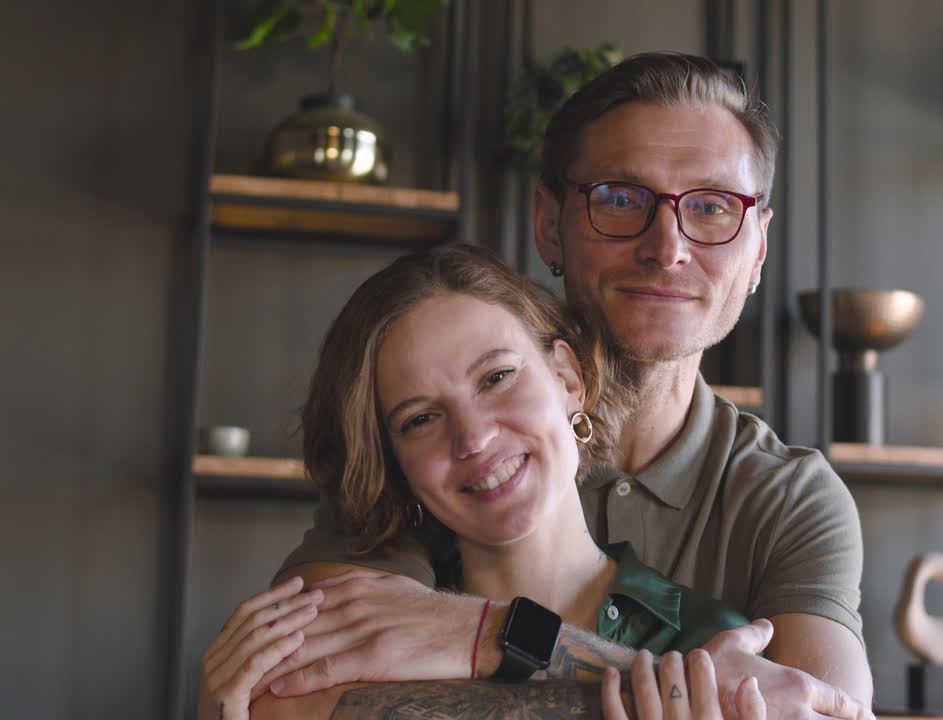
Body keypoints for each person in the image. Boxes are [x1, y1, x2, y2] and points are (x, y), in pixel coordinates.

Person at [213, 51, 873, 719]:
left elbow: (819, 712)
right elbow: (290, 697)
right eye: (621, 199)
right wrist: (529, 643)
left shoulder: (789, 497)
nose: (667, 247)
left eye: (711, 206)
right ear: (550, 226)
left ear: (757, 248)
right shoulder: (448, 459)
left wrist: (479, 637)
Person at [199, 245, 769, 720]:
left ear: (568, 378)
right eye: (420, 419)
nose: (472, 439)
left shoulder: (711, 641)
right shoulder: (365, 635)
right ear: (395, 464)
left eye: (497, 377)